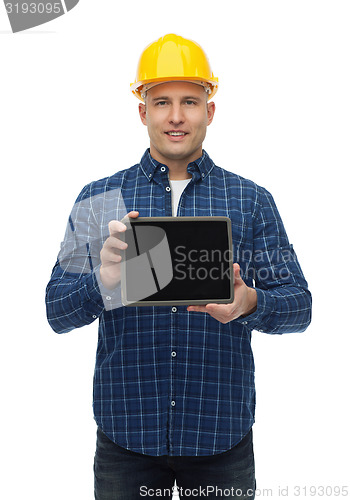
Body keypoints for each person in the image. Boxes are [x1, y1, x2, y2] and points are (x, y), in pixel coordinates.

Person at [46, 34, 312, 499]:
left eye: (190, 101)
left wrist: (249, 302)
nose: (175, 116)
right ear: (142, 111)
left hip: (219, 437)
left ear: (209, 111)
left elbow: (299, 306)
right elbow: (56, 311)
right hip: (125, 434)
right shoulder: (98, 199)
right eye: (161, 101)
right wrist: (104, 283)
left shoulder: (250, 201)